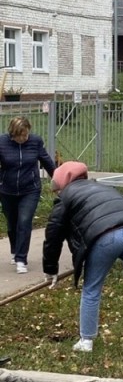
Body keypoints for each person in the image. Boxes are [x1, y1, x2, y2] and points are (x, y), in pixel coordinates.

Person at [42, 161, 123, 356]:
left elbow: (53, 234)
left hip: (105, 236)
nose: (57, 193)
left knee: (91, 290)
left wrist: (50, 268)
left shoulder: (66, 196)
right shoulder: (101, 186)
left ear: (62, 183)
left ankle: (86, 340)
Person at [0, 116, 56, 273]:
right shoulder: (2, 142)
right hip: (7, 190)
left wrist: (59, 180)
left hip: (30, 189)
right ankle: (15, 250)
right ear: (12, 134)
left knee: (24, 221)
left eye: (26, 134)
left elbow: (46, 161)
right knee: (12, 224)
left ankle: (21, 259)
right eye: (20, 135)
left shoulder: (35, 141)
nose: (24, 138)